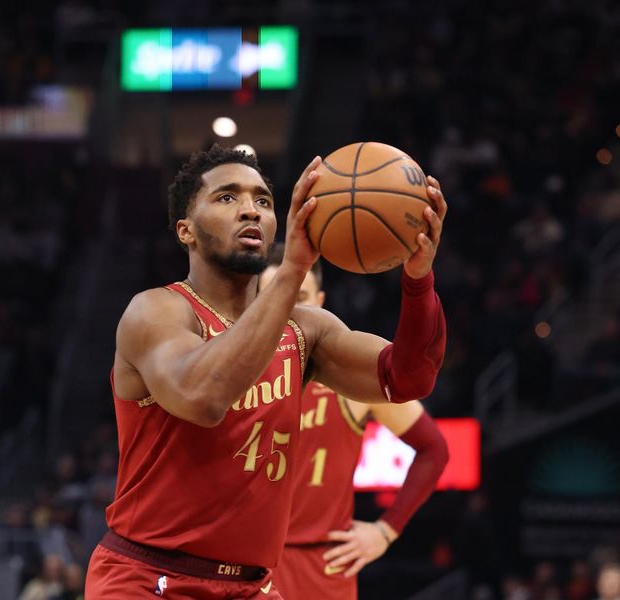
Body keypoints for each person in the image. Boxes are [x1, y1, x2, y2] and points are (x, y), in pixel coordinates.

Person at [84, 145, 448, 599]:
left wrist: (418, 280)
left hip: (251, 586)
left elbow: (410, 377)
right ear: (186, 231)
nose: (249, 211)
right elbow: (204, 397)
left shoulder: (307, 330)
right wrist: (294, 269)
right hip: (149, 578)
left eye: (262, 201)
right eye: (226, 198)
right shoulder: (156, 312)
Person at [260, 245, 449, 599]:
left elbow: (434, 449)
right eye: (275, 295)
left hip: (324, 565)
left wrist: (385, 531)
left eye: (299, 296)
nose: (289, 308)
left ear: (320, 299)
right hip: (248, 562)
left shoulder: (347, 378)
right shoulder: (234, 375)